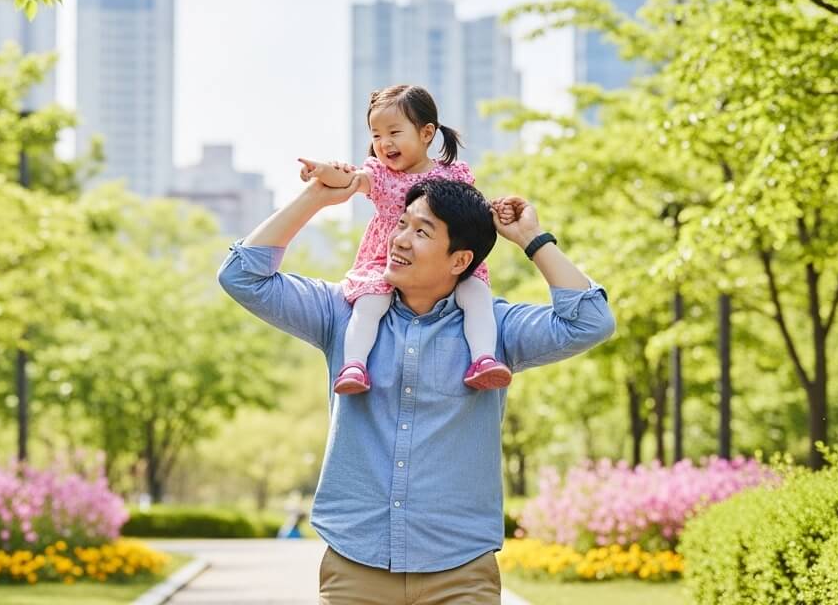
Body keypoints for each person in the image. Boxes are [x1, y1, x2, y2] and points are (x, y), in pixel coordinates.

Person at [217, 174, 615, 604]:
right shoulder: (343, 315)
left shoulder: (494, 331)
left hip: (460, 571)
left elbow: (590, 322)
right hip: (356, 564)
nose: (399, 240)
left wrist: (533, 239)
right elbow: (242, 276)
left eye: (421, 231)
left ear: (460, 260)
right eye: (402, 224)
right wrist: (315, 198)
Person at [297, 83, 510, 396]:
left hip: (441, 257)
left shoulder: (454, 174)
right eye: (376, 134)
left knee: (476, 295)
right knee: (371, 303)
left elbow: (470, 210)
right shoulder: (380, 174)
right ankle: (354, 364)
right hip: (386, 258)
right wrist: (324, 171)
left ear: (426, 133)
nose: (384, 143)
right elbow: (351, 180)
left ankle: (482, 359)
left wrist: (499, 211)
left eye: (394, 132)